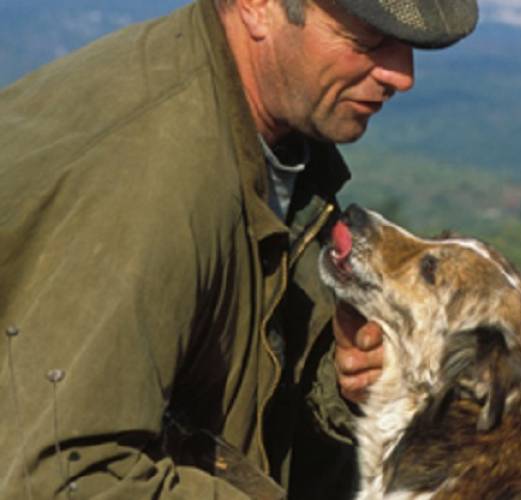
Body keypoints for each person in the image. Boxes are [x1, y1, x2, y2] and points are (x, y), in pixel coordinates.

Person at [0, 0, 476, 497]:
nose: (402, 76)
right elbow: (69, 479)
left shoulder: (278, 139)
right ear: (257, 6)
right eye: (368, 41)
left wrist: (339, 385)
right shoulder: (152, 177)